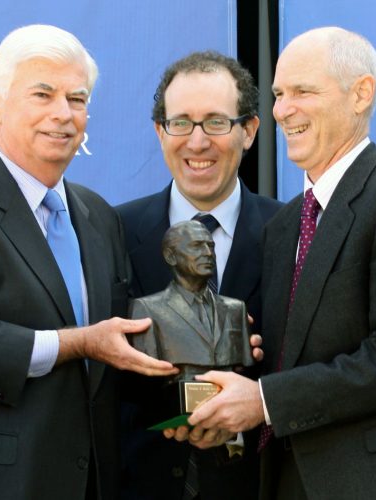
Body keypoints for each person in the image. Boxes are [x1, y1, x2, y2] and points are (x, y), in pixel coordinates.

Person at [181, 27, 376, 500]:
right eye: (278, 94)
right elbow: (294, 361)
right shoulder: (285, 225)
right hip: (288, 480)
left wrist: (263, 401)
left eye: (302, 92)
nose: (282, 110)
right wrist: (227, 404)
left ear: (361, 94)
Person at [0, 24, 177, 500]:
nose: (63, 114)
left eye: (77, 99)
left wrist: (201, 380)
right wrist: (79, 343)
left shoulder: (99, 215)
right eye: (43, 94)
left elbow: (116, 348)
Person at [116, 51, 283, 499]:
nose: (196, 142)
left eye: (215, 122)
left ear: (248, 131)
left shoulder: (292, 233)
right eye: (181, 122)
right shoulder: (112, 231)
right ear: (160, 131)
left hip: (261, 484)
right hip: (140, 484)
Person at [130, 220, 253, 380]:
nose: (208, 253)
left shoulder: (235, 308)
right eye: (197, 246)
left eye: (211, 246)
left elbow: (245, 361)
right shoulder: (148, 309)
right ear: (171, 256)